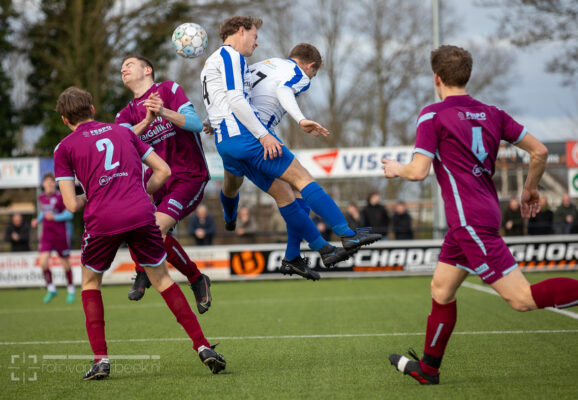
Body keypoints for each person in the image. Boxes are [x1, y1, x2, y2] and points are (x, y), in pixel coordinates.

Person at [381, 45, 578, 385]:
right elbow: (539, 151)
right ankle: (428, 369)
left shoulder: (432, 115)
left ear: (436, 78)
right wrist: (530, 187)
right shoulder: (493, 113)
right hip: (476, 217)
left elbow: (419, 171)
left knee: (522, 299)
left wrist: (396, 169)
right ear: (467, 76)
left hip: (468, 221)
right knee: (441, 289)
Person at [53, 86, 225, 380]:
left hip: (102, 219)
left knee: (91, 282)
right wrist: (133, 191)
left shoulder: (64, 148)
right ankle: (203, 346)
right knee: (163, 280)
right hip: (140, 212)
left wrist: (98, 194)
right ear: (93, 110)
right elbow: (164, 172)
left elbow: (70, 204)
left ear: (65, 120)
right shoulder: (124, 132)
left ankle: (101, 360)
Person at [201, 18, 381, 280]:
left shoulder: (257, 64)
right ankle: (347, 233)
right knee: (302, 180)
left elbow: (227, 95)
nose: (257, 41)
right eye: (254, 35)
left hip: (226, 140)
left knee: (286, 195)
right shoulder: (244, 59)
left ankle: (301, 254)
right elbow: (272, 93)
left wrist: (211, 121)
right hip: (249, 134)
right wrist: (296, 120)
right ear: (310, 66)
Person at [116, 55, 212, 313]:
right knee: (132, 223)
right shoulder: (125, 113)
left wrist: (163, 111)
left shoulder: (168, 89)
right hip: (157, 179)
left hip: (188, 175)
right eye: (122, 67)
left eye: (129, 64)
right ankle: (193, 278)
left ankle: (162, 274)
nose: (123, 69)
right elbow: (120, 143)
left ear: (148, 69)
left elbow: (195, 124)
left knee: (154, 230)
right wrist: (146, 121)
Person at [31, 173, 75, 303]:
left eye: (51, 182)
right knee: (43, 262)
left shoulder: (61, 197)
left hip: (60, 234)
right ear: (43, 184)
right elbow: (44, 212)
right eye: (47, 182)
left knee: (65, 263)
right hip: (46, 235)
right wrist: (37, 220)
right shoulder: (42, 197)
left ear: (54, 184)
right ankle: (51, 289)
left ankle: (71, 290)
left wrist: (55, 217)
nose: (49, 184)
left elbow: (69, 215)